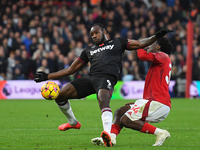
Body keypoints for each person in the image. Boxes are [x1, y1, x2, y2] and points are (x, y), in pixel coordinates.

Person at [34, 23, 172, 147]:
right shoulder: (89, 50)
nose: (94, 36)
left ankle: (106, 134)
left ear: (104, 32)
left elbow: (140, 44)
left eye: (97, 33)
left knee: (103, 100)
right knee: (60, 95)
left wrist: (154, 37)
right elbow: (71, 69)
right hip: (91, 78)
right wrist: (47, 76)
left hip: (106, 78)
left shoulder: (117, 42)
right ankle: (74, 123)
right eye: (92, 34)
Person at [91, 37, 173, 147]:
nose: (148, 45)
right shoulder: (161, 60)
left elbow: (142, 55)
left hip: (158, 102)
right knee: (120, 112)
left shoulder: (163, 55)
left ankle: (160, 132)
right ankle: (111, 138)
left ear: (158, 47)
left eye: (152, 44)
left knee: (126, 120)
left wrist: (139, 44)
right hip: (152, 101)